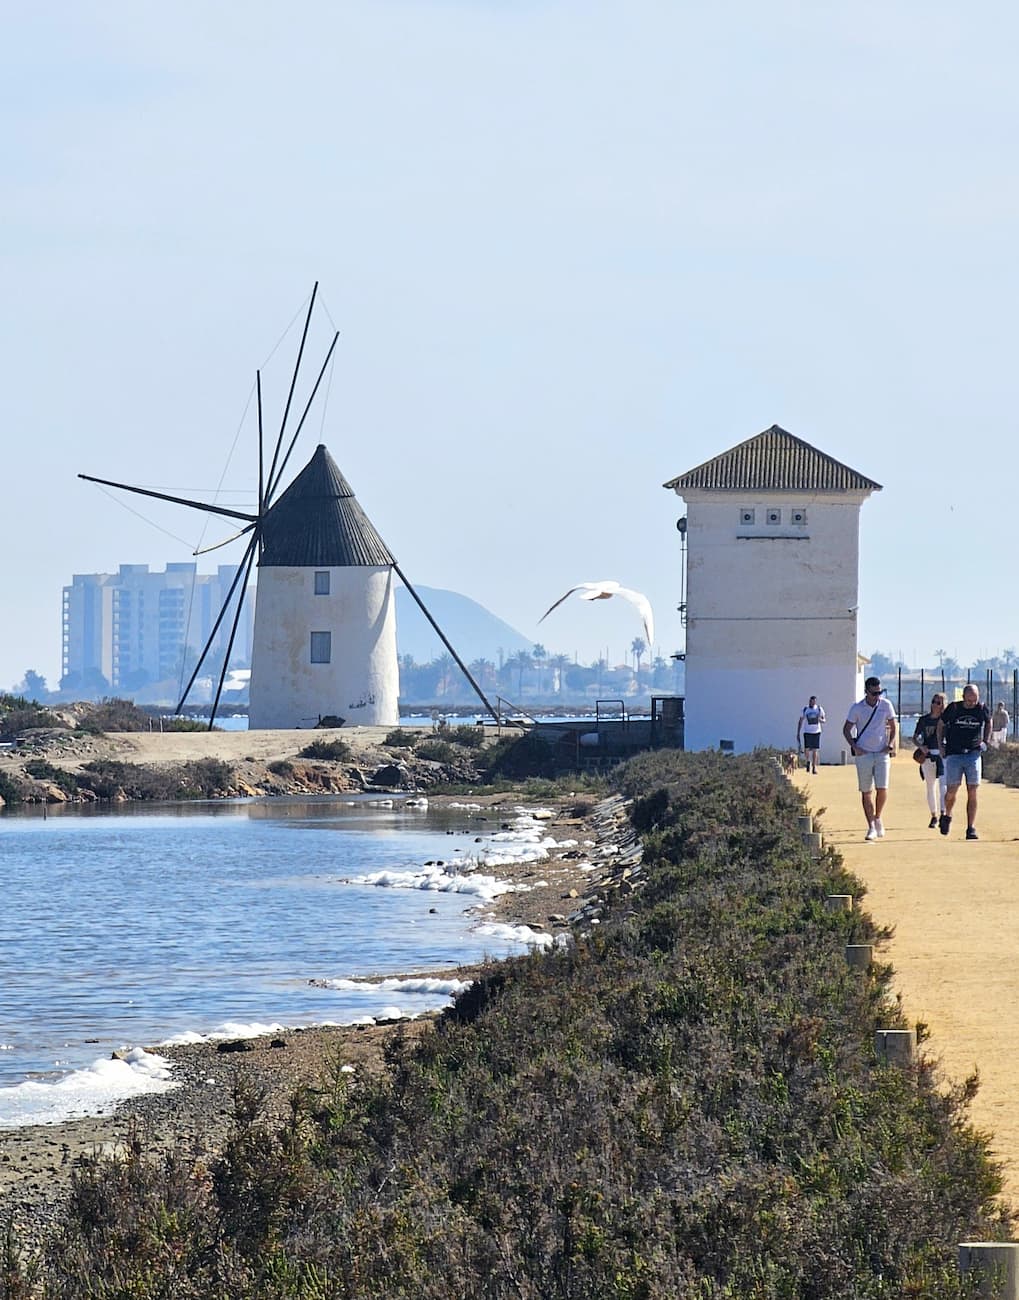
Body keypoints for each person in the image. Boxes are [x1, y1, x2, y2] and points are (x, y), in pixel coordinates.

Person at [842, 677, 898, 841]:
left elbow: (893, 726)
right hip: (864, 754)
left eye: (880, 692)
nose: (877, 696)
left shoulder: (886, 705)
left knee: (882, 788)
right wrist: (855, 747)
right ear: (866, 691)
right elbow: (846, 729)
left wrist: (890, 743)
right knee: (866, 791)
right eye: (874, 693)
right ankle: (871, 826)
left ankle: (878, 816)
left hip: (881, 753)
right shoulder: (857, 708)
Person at [936, 683, 991, 839]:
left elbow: (989, 722)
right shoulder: (953, 708)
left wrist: (985, 741)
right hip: (954, 753)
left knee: (972, 790)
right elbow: (940, 725)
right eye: (969, 701)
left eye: (974, 700)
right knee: (952, 790)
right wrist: (941, 746)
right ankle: (947, 815)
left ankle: (970, 827)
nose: (972, 704)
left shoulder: (981, 709)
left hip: (973, 753)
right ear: (963, 697)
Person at [913, 692, 947, 829]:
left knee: (943, 787)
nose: (935, 704)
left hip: (943, 755)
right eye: (934, 701)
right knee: (930, 786)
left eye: (938, 702)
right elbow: (915, 737)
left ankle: (943, 813)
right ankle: (934, 815)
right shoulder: (924, 720)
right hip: (928, 756)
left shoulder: (946, 721)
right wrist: (921, 746)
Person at [796, 695, 826, 773]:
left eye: (813, 702)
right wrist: (798, 732)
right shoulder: (805, 709)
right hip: (807, 731)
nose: (812, 703)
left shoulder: (819, 709)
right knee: (807, 749)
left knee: (815, 750)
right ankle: (808, 761)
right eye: (811, 701)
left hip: (816, 732)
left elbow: (824, 720)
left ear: (815, 702)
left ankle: (814, 767)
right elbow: (801, 721)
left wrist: (820, 720)